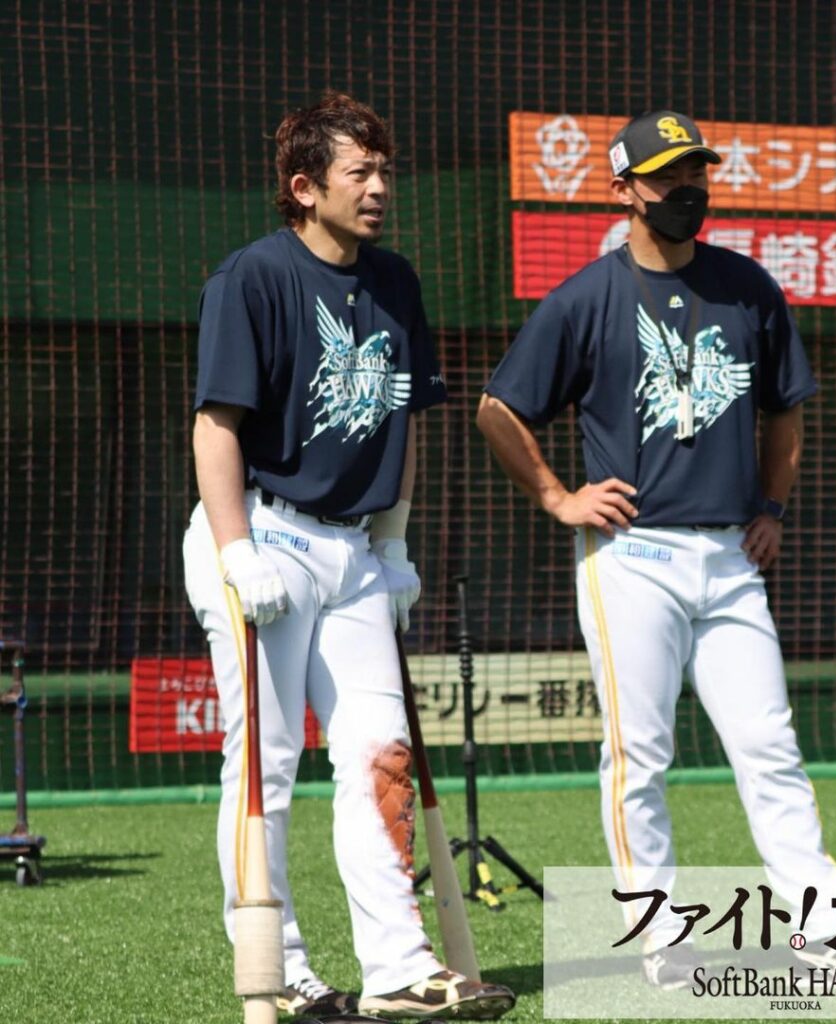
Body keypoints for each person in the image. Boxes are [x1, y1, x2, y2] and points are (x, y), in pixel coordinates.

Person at [477, 110, 836, 989]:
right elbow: (499, 409)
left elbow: (785, 410)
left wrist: (773, 507)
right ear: (624, 190)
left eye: (696, 172)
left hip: (731, 558)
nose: (688, 188)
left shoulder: (747, 286)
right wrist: (558, 496)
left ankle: (821, 923)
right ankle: (659, 932)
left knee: (769, 746)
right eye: (667, 175)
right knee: (639, 756)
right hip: (632, 558)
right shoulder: (585, 297)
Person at [183, 90, 515, 1021]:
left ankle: (398, 970)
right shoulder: (252, 277)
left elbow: (403, 425)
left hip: (356, 549)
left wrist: (395, 542)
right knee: (267, 761)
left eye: (384, 172)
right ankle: (281, 969)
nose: (379, 189)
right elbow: (216, 428)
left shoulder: (396, 281)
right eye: (358, 173)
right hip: (262, 533)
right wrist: (237, 552)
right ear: (305, 187)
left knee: (382, 754)